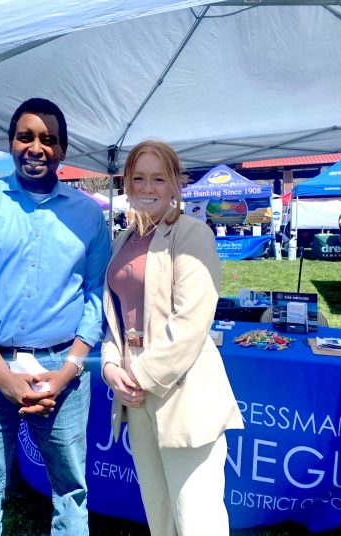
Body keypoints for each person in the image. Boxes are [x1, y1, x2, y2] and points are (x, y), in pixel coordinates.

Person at [0, 98, 110, 536]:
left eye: (48, 139)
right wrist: (2, 376)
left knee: (72, 493)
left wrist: (68, 370)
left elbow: (96, 296)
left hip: (63, 370)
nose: (36, 147)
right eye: (26, 136)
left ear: (64, 149)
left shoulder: (89, 215)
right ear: (11, 143)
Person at [101, 141, 243, 536]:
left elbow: (192, 321)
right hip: (134, 393)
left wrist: (139, 376)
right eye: (139, 177)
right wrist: (112, 366)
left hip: (182, 391)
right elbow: (114, 312)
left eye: (158, 178)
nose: (148, 187)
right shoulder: (122, 240)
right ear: (127, 183)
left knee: (197, 517)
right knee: (159, 511)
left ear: (176, 183)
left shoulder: (192, 233)